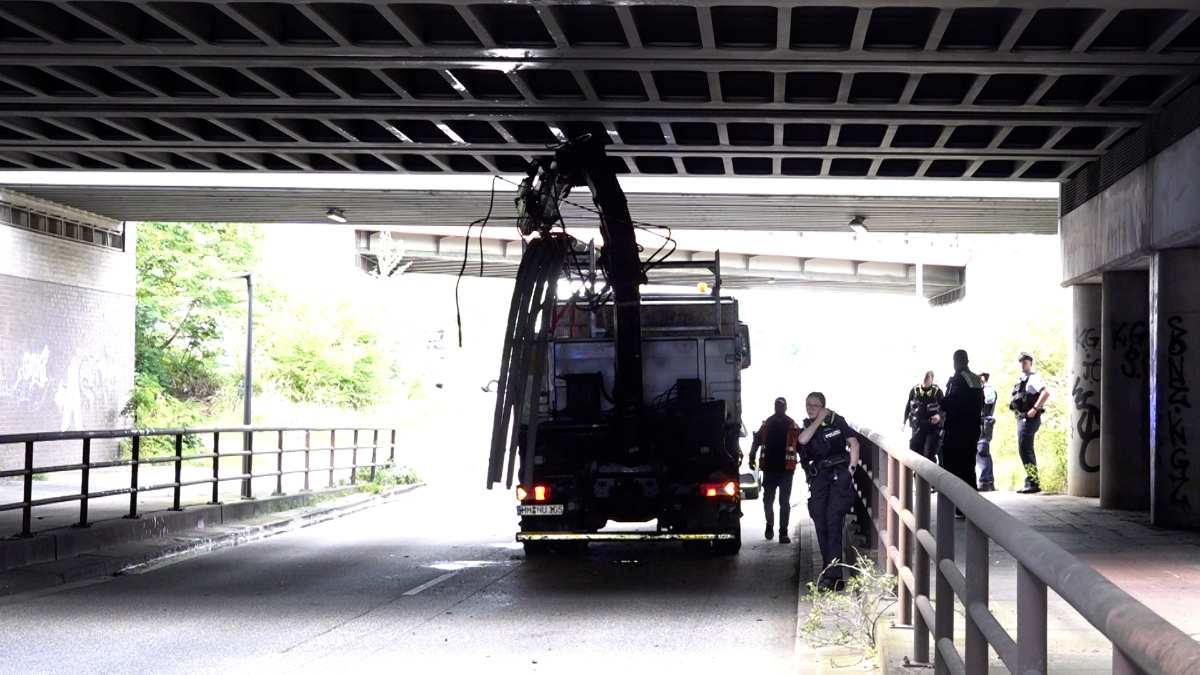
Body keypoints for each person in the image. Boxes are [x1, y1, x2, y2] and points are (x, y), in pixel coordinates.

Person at [797, 392, 861, 590]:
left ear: (824, 406)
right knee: (820, 519)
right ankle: (829, 571)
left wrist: (850, 471)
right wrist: (818, 420)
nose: (810, 409)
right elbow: (802, 440)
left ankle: (833, 577)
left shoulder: (837, 421)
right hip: (819, 478)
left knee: (833, 521)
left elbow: (854, 443)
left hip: (839, 475)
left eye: (815, 405)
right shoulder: (808, 425)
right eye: (808, 405)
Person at [749, 396, 801, 544]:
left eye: (781, 405)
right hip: (769, 470)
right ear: (774, 407)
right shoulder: (767, 424)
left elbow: (801, 445)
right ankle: (769, 525)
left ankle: (783, 533)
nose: (779, 408)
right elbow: (757, 440)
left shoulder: (792, 425)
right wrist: (752, 456)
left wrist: (808, 465)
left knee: (784, 502)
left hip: (786, 470)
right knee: (767, 501)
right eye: (777, 405)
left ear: (786, 407)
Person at [942, 350, 985, 517]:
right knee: (968, 466)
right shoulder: (975, 378)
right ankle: (971, 505)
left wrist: (940, 401)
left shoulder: (957, 379)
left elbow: (952, 402)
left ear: (956, 362)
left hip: (956, 430)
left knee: (954, 467)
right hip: (972, 429)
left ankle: (961, 505)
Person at [1010, 352, 1050, 494]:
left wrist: (1034, 408)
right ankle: (1031, 481)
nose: (1022, 363)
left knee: (1025, 449)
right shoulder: (1022, 379)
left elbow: (1045, 393)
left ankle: (1033, 482)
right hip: (1022, 418)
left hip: (1029, 418)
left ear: (1030, 363)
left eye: (1025, 361)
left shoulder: (1034, 378)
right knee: (1024, 449)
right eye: (1020, 361)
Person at [903, 371, 943, 461]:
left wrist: (939, 416)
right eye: (924, 377)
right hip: (917, 427)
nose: (925, 379)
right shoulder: (914, 390)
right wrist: (904, 421)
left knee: (928, 454)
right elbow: (908, 406)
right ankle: (917, 474)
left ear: (931, 379)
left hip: (932, 428)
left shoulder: (937, 392)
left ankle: (930, 473)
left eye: (927, 377)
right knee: (914, 450)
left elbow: (944, 409)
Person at [976, 372, 998, 492]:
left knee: (982, 449)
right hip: (979, 423)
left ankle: (986, 481)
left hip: (985, 422)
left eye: (980, 378)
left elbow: (988, 400)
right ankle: (988, 481)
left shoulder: (988, 389)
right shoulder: (980, 390)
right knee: (981, 451)